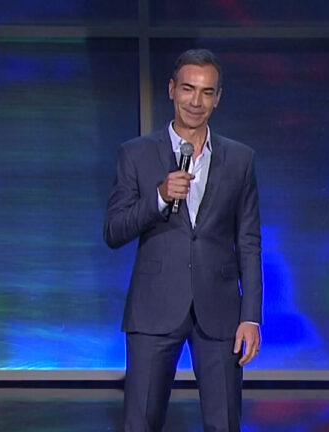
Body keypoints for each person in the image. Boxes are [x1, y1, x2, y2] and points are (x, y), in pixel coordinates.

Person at [104, 48, 263, 432]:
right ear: (172, 90)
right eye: (189, 89)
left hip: (221, 311)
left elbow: (249, 241)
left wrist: (251, 317)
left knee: (224, 423)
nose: (196, 101)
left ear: (218, 98)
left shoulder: (240, 160)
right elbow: (114, 231)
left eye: (207, 92)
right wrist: (158, 197)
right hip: (153, 308)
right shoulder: (136, 154)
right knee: (140, 422)